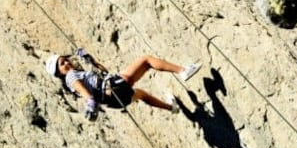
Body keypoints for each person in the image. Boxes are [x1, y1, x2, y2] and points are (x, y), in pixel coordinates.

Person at [45, 48, 201, 120]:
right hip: (114, 87)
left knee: (141, 95)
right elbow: (84, 90)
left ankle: (172, 108)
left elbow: (104, 72)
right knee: (146, 61)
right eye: (61, 64)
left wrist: (90, 60)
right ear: (59, 73)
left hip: (113, 101)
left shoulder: (75, 80)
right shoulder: (71, 77)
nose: (66, 63)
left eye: (65, 60)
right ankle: (183, 71)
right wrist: (90, 101)